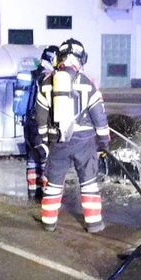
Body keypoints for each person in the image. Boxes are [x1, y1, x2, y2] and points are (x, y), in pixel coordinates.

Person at [33, 38, 111, 233]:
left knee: (53, 183)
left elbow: (40, 115)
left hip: (57, 142)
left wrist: (44, 140)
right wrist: (104, 142)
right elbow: (99, 116)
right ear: (81, 59)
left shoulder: (47, 82)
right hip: (84, 143)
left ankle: (49, 222)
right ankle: (94, 223)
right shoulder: (87, 83)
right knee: (88, 182)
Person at [22, 45, 59, 200]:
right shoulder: (49, 77)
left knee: (32, 160)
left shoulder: (31, 75)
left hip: (27, 124)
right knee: (45, 160)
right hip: (41, 124)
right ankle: (45, 196)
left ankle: (32, 193)